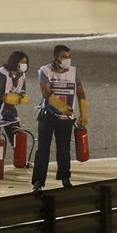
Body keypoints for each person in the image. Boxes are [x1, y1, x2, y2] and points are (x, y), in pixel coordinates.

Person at [32, 44, 86, 191]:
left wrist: (83, 114)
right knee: (43, 150)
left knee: (64, 150)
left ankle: (65, 178)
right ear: (56, 57)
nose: (67, 60)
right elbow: (46, 94)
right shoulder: (45, 71)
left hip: (66, 120)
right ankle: (38, 181)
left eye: (69, 57)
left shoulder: (73, 72)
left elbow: (81, 93)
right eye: (64, 57)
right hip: (48, 116)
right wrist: (63, 107)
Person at [0, 50, 29, 148]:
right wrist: (8, 97)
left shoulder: (21, 74)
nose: (25, 64)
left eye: (26, 62)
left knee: (17, 136)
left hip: (9, 109)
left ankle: (20, 160)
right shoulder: (0, 75)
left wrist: (22, 96)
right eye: (22, 62)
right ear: (15, 62)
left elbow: (22, 90)